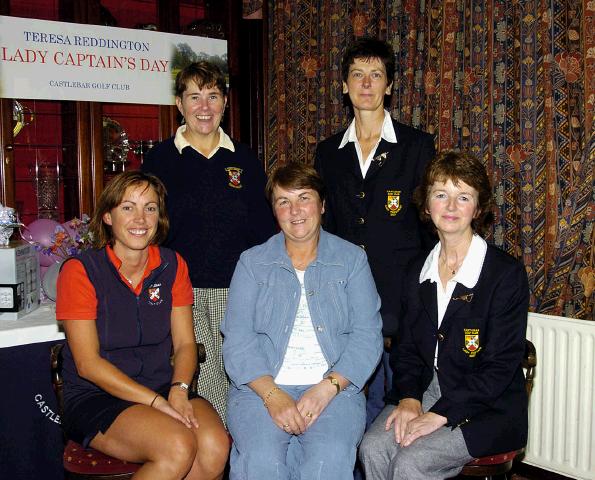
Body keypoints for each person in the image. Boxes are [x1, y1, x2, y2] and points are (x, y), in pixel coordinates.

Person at [359, 151, 529, 479]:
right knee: (373, 448)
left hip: (485, 405)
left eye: (462, 197)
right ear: (426, 205)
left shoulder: (505, 275)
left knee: (412, 462)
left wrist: (440, 414)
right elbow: (406, 350)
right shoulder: (415, 272)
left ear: (478, 209)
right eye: (441, 195)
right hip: (425, 389)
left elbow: (499, 369)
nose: (450, 207)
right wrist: (409, 397)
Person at [56, 171, 229, 480]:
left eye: (150, 208)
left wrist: (178, 389)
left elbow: (186, 344)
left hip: (162, 384)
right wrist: (155, 402)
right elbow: (88, 364)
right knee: (177, 447)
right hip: (97, 395)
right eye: (128, 207)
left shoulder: (172, 265)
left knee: (215, 447)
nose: (140, 218)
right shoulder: (80, 271)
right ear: (108, 216)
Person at [221, 162, 383, 479]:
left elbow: (367, 337)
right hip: (260, 387)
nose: (295, 210)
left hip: (334, 387)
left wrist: (327, 388)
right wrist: (272, 395)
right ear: (274, 210)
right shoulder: (252, 263)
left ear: (322, 205)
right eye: (284, 201)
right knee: (263, 461)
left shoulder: (352, 260)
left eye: (304, 198)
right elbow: (238, 341)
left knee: (327, 461)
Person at [142, 61, 276, 422]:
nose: (204, 107)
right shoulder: (159, 159)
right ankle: (225, 452)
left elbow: (265, 229)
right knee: (210, 377)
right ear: (179, 104)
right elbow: (145, 226)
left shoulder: (244, 159)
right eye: (195, 97)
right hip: (183, 289)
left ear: (225, 102)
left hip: (240, 289)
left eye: (213, 96)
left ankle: (239, 445)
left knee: (244, 372)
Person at [314, 37, 436, 426]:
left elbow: (429, 229)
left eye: (376, 75)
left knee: (395, 409)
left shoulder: (417, 147)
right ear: (344, 86)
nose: (366, 84)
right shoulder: (328, 152)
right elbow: (325, 229)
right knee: (348, 408)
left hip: (401, 300)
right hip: (344, 299)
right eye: (357, 75)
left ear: (390, 85)